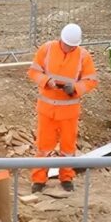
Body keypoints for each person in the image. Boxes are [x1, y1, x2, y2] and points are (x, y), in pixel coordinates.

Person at [27, 23, 98, 193]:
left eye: (72, 46)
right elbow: (33, 71)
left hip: (69, 111)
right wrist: (46, 81)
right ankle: (39, 179)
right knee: (44, 147)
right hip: (47, 110)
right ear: (61, 39)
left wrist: (75, 88)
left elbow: (91, 80)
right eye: (67, 45)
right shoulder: (47, 49)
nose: (69, 49)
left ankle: (66, 177)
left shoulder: (83, 56)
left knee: (68, 147)